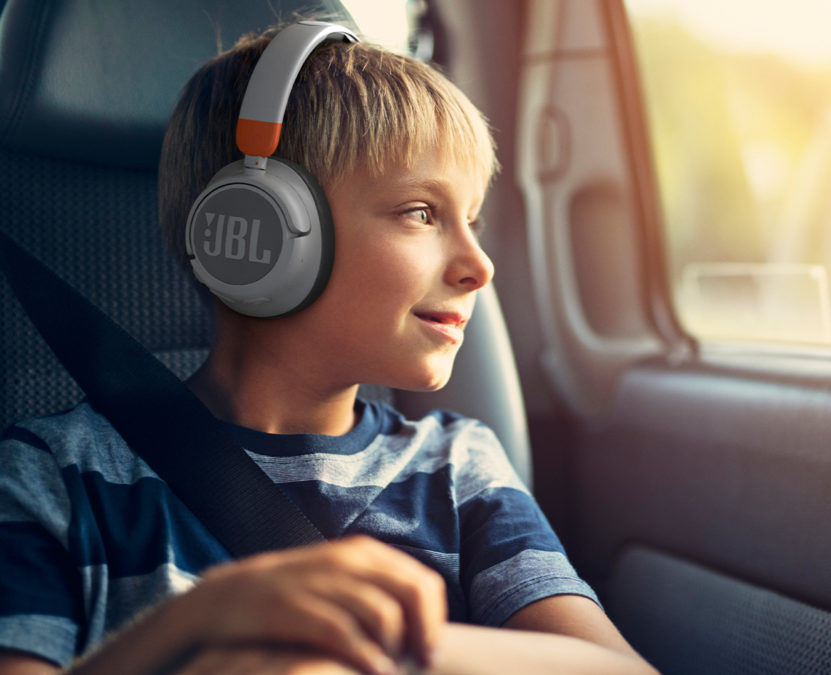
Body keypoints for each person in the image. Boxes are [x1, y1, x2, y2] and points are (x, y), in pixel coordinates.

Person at [0, 20, 654, 675]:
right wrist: (194, 623)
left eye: (473, 219)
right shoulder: (53, 476)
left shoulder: (458, 469)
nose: (479, 264)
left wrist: (375, 644)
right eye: (421, 212)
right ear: (258, 232)